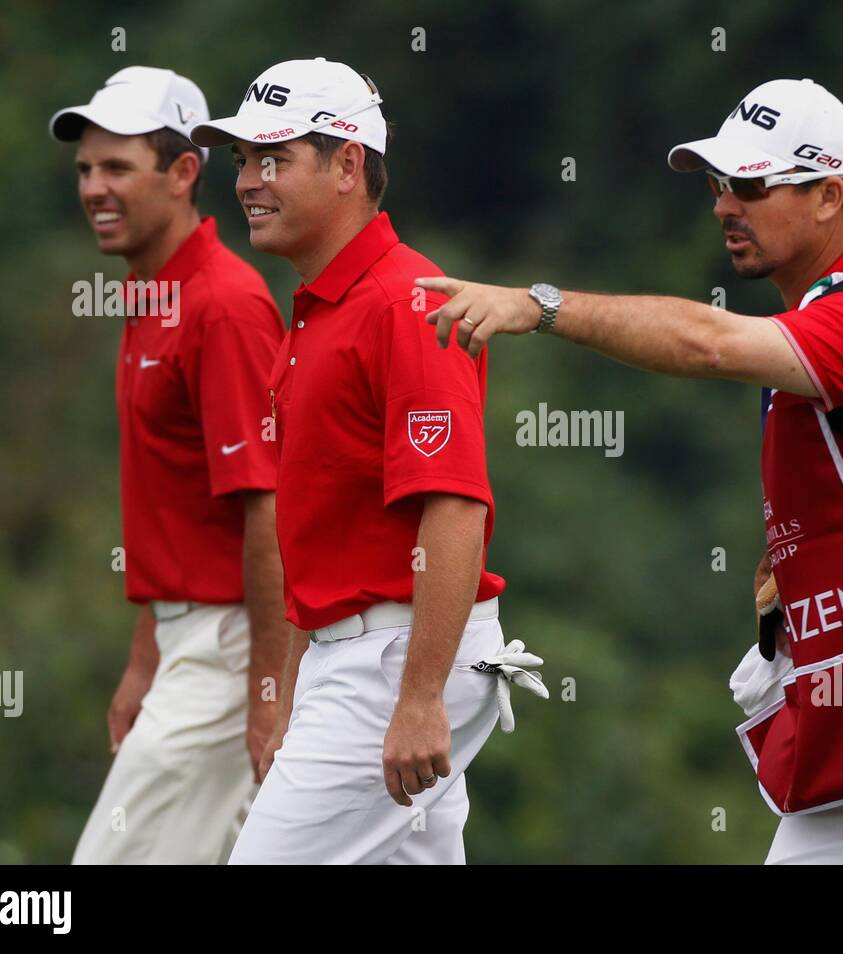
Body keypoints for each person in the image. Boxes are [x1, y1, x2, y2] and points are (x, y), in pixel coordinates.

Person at [418, 78, 843, 864]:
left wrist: (539, 305)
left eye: (750, 185)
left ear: (828, 195)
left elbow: (704, 343)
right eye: (719, 185)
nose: (723, 205)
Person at [190, 58, 519, 864]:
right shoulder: (317, 314)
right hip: (361, 657)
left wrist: (419, 697)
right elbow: (326, 550)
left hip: (396, 662)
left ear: (347, 164)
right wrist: (298, 688)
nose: (248, 183)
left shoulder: (406, 302)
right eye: (241, 161)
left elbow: (454, 506)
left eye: (273, 159)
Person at [50, 66, 291, 863]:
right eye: (86, 169)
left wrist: (264, 692)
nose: (94, 188)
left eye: (118, 167)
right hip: (188, 644)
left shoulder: (221, 303)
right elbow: (181, 515)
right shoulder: (154, 295)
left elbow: (268, 507)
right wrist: (145, 659)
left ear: (185, 172)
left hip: (228, 652)